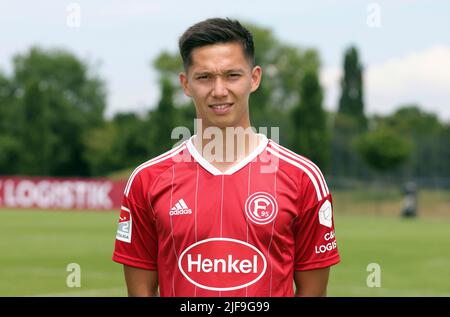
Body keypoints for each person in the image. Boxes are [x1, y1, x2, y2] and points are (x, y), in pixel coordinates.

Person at [112, 17, 340, 297]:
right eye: (204, 77)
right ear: (186, 84)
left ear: (254, 78)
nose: (219, 90)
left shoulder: (303, 178)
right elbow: (141, 292)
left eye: (232, 75)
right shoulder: (147, 180)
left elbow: (312, 292)